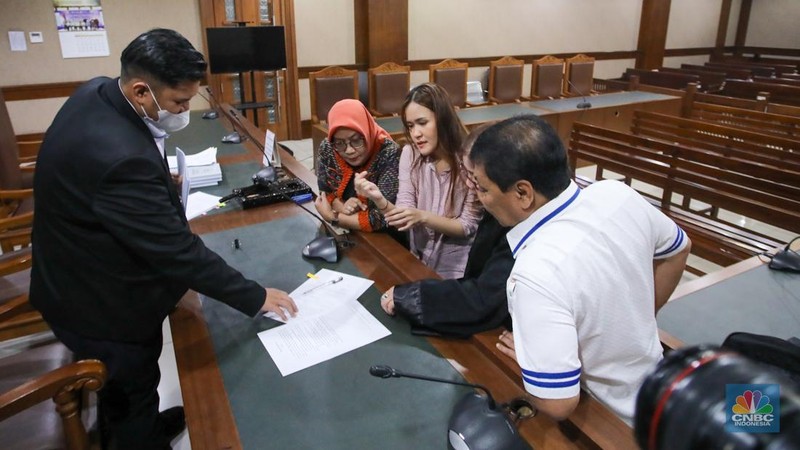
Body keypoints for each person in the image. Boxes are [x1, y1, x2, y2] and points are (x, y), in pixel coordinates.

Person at [29, 29, 298, 449]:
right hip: (98, 304)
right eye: (178, 102)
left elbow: (103, 175)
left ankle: (145, 423)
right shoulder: (120, 157)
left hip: (70, 271)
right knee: (130, 392)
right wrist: (255, 296)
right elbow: (178, 252)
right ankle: (139, 436)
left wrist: (154, 183)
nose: (184, 110)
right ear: (141, 91)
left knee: (137, 392)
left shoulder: (98, 92)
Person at [468, 115, 691, 425]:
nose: (478, 198)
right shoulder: (617, 194)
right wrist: (638, 317)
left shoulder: (534, 272)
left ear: (523, 193)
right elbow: (679, 250)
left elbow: (559, 404)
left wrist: (532, 361)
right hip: (659, 385)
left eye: (482, 188)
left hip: (613, 418)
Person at [379, 122, 513, 338]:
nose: (470, 186)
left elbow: (482, 299)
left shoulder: (519, 227)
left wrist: (408, 297)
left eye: (477, 181)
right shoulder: (500, 212)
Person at [356, 83, 482, 279]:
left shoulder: (468, 159)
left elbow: (467, 226)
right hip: (417, 259)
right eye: (410, 126)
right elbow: (404, 215)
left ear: (442, 119)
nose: (415, 134)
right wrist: (379, 199)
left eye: (422, 123)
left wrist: (423, 217)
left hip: (456, 269)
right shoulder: (409, 154)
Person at [313, 99, 400, 232]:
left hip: (386, 238)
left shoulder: (389, 153)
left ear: (367, 132)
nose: (349, 150)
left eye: (356, 140)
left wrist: (333, 216)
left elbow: (384, 219)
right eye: (340, 143)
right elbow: (325, 191)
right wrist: (341, 206)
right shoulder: (328, 147)